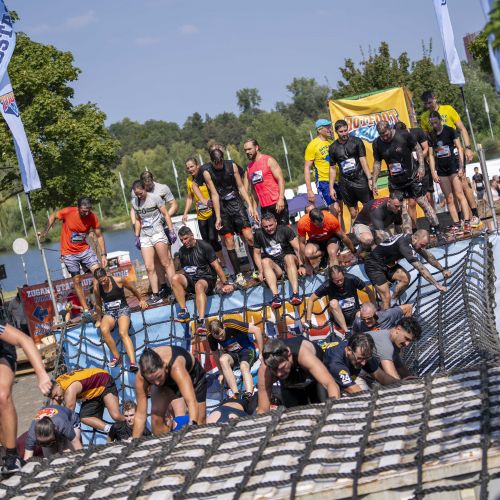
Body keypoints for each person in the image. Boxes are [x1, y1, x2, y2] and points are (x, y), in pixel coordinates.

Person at [372, 121, 445, 242]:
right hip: (396, 181)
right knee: (398, 209)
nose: (384, 138)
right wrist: (374, 181)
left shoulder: (403, 135)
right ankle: (405, 239)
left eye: (386, 134)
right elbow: (377, 163)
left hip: (412, 177)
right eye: (381, 135)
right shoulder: (377, 143)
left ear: (390, 129)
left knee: (422, 202)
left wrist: (421, 167)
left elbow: (418, 149)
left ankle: (438, 231)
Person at [195, 147, 258, 287]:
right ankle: (238, 274)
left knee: (249, 237)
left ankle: (256, 269)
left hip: (236, 203)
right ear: (212, 162)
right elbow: (213, 194)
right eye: (216, 163)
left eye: (220, 162)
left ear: (223, 159)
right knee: (229, 241)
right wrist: (212, 210)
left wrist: (250, 206)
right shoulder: (206, 171)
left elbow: (241, 187)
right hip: (222, 206)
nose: (219, 165)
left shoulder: (231, 165)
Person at [420, 91, 481, 227]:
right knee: (451, 192)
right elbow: (426, 140)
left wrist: (468, 147)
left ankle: (475, 215)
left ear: (435, 98)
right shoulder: (424, 117)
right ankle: (459, 220)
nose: (428, 106)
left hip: (454, 151)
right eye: (426, 104)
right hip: (441, 157)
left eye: (430, 102)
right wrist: (429, 160)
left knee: (463, 184)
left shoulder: (448, 109)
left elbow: (462, 129)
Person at [39, 197, 107, 320]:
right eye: (84, 211)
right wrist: (45, 232)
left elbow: (99, 236)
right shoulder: (68, 212)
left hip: (84, 250)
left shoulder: (92, 217)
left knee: (99, 273)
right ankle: (86, 309)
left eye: (89, 210)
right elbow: (53, 215)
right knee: (76, 280)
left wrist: (103, 255)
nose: (87, 213)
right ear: (78, 208)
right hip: (68, 253)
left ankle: (99, 305)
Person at [0, 323, 52, 476]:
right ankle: (7, 452)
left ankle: (12, 457)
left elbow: (25, 340)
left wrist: (41, 375)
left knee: (2, 395)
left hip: (2, 354)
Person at [364, 230, 451, 309]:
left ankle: (393, 302)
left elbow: (428, 256)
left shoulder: (413, 241)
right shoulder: (404, 245)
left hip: (387, 264)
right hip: (373, 265)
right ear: (415, 238)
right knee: (386, 298)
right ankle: (386, 318)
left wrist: (442, 270)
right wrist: (437, 285)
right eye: (422, 245)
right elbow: (421, 268)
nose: (422, 248)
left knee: (405, 279)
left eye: (424, 246)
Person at [133, 346, 207, 436]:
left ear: (164, 366)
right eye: (151, 381)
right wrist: (134, 440)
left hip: (193, 376)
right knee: (156, 417)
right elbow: (140, 415)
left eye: (159, 377)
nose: (157, 383)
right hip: (166, 383)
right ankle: (163, 442)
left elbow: (191, 401)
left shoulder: (176, 367)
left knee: (199, 421)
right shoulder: (141, 378)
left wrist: (193, 425)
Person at [172, 226, 234, 332]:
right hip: (191, 279)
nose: (184, 242)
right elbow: (184, 271)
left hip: (207, 278)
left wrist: (225, 283)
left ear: (192, 235)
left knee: (199, 285)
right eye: (182, 240)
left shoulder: (204, 246)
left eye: (186, 238)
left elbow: (217, 266)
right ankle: (184, 311)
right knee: (174, 278)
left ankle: (201, 321)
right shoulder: (182, 251)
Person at [257, 336, 340, 412]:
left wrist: (334, 412)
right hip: (290, 385)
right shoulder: (265, 370)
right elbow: (263, 409)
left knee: (324, 407)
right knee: (293, 416)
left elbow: (330, 384)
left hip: (316, 381)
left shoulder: (304, 355)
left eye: (282, 368)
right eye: (274, 370)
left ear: (289, 355)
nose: (279, 374)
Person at [130, 171, 178, 298]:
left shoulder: (157, 195)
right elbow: (137, 218)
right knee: (149, 266)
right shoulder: (135, 200)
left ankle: (175, 288)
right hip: (145, 234)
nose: (138, 196)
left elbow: (167, 212)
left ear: (145, 188)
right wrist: (136, 235)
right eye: (136, 194)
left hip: (158, 230)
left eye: (140, 193)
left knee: (166, 261)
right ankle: (158, 293)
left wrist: (171, 230)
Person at [93, 267, 148, 372]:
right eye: (100, 282)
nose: (103, 283)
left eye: (104, 280)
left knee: (123, 333)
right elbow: (98, 304)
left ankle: (133, 363)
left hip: (122, 309)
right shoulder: (98, 288)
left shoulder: (119, 280)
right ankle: (116, 357)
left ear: (107, 275)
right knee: (104, 330)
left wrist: (141, 299)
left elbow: (133, 289)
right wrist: (99, 319)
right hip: (109, 312)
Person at [428, 110, 471, 233]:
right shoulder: (431, 135)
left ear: (440, 120)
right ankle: (456, 223)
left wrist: (461, 167)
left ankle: (466, 221)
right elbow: (431, 155)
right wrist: (433, 172)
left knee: (459, 194)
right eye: (432, 123)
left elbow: (460, 148)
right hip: (441, 170)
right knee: (449, 198)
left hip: (453, 167)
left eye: (436, 122)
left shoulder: (450, 130)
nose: (435, 125)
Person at [253, 212, 306, 309]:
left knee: (288, 258)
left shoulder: (285, 229)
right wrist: (260, 271)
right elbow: (256, 253)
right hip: (276, 267)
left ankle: (295, 294)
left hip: (289, 261)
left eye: (271, 225)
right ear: (261, 226)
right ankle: (276, 297)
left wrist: (302, 265)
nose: (269, 228)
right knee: (265, 261)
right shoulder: (258, 234)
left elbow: (298, 248)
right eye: (265, 227)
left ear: (276, 222)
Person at [304, 266, 376, 335]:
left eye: (341, 279)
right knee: (333, 303)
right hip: (339, 318)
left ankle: (366, 331)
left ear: (343, 274)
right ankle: (346, 332)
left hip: (355, 313)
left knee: (364, 313)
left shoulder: (352, 278)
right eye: (337, 281)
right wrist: (308, 320)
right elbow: (311, 299)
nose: (340, 282)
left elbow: (369, 291)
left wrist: (374, 309)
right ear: (331, 279)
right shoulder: (327, 285)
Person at [50, 367, 124, 433]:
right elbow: (55, 410)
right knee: (84, 417)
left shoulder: (70, 388)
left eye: (56, 394)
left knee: (116, 416)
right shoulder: (57, 384)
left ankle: (130, 425)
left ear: (58, 385)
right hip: (92, 393)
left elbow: (68, 413)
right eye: (53, 397)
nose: (57, 398)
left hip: (104, 382)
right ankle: (112, 431)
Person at [329, 119, 373, 226]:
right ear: (336, 132)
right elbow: (332, 168)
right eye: (341, 132)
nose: (344, 133)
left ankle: (374, 232)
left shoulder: (357, 141)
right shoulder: (333, 148)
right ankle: (358, 234)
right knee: (353, 213)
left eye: (345, 130)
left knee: (369, 208)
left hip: (360, 178)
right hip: (345, 183)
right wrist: (331, 187)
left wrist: (369, 178)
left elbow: (363, 160)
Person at [322, 333, 399, 394]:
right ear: (348, 350)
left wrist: (401, 384)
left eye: (366, 358)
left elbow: (382, 377)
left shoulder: (362, 354)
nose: (363, 363)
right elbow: (354, 390)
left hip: (348, 374)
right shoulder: (335, 363)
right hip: (323, 380)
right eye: (360, 358)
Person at [207, 318, 264, 398]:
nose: (220, 338)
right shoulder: (211, 337)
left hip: (247, 350)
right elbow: (215, 354)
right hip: (232, 354)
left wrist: (261, 353)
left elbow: (256, 330)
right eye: (217, 337)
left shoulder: (232, 325)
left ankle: (249, 394)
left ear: (223, 327)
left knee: (243, 366)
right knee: (223, 359)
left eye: (222, 335)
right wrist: (221, 373)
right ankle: (236, 394)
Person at [183, 157, 224, 264]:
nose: (190, 169)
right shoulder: (189, 180)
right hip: (201, 215)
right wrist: (185, 213)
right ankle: (214, 263)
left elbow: (215, 192)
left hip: (212, 212)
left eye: (192, 166)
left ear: (198, 166)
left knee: (213, 238)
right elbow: (190, 197)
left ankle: (223, 262)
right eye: (188, 168)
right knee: (205, 241)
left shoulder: (205, 176)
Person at [394, 121, 437, 218]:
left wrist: (418, 158)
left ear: (406, 130)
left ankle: (433, 222)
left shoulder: (417, 132)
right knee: (411, 202)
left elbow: (426, 149)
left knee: (428, 197)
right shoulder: (396, 139)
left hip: (423, 169)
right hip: (410, 174)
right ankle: (414, 226)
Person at [243, 139, 289, 226]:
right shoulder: (249, 168)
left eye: (249, 149)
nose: (247, 152)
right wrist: (255, 209)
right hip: (264, 207)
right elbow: (253, 190)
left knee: (284, 231)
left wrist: (281, 199)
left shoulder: (269, 160)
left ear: (256, 147)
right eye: (245, 150)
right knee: (269, 233)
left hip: (277, 203)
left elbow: (281, 179)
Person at [304, 118, 341, 216]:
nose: (330, 129)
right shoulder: (312, 145)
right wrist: (309, 190)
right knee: (335, 209)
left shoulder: (331, 142)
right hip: (323, 181)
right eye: (327, 127)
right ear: (319, 130)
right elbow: (307, 168)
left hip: (337, 179)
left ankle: (339, 227)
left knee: (340, 210)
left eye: (330, 126)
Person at [366, 317, 422, 381]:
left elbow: (400, 367)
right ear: (398, 329)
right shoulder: (386, 344)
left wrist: (414, 381)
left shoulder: (394, 345)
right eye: (406, 338)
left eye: (410, 341)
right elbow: (393, 379)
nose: (407, 344)